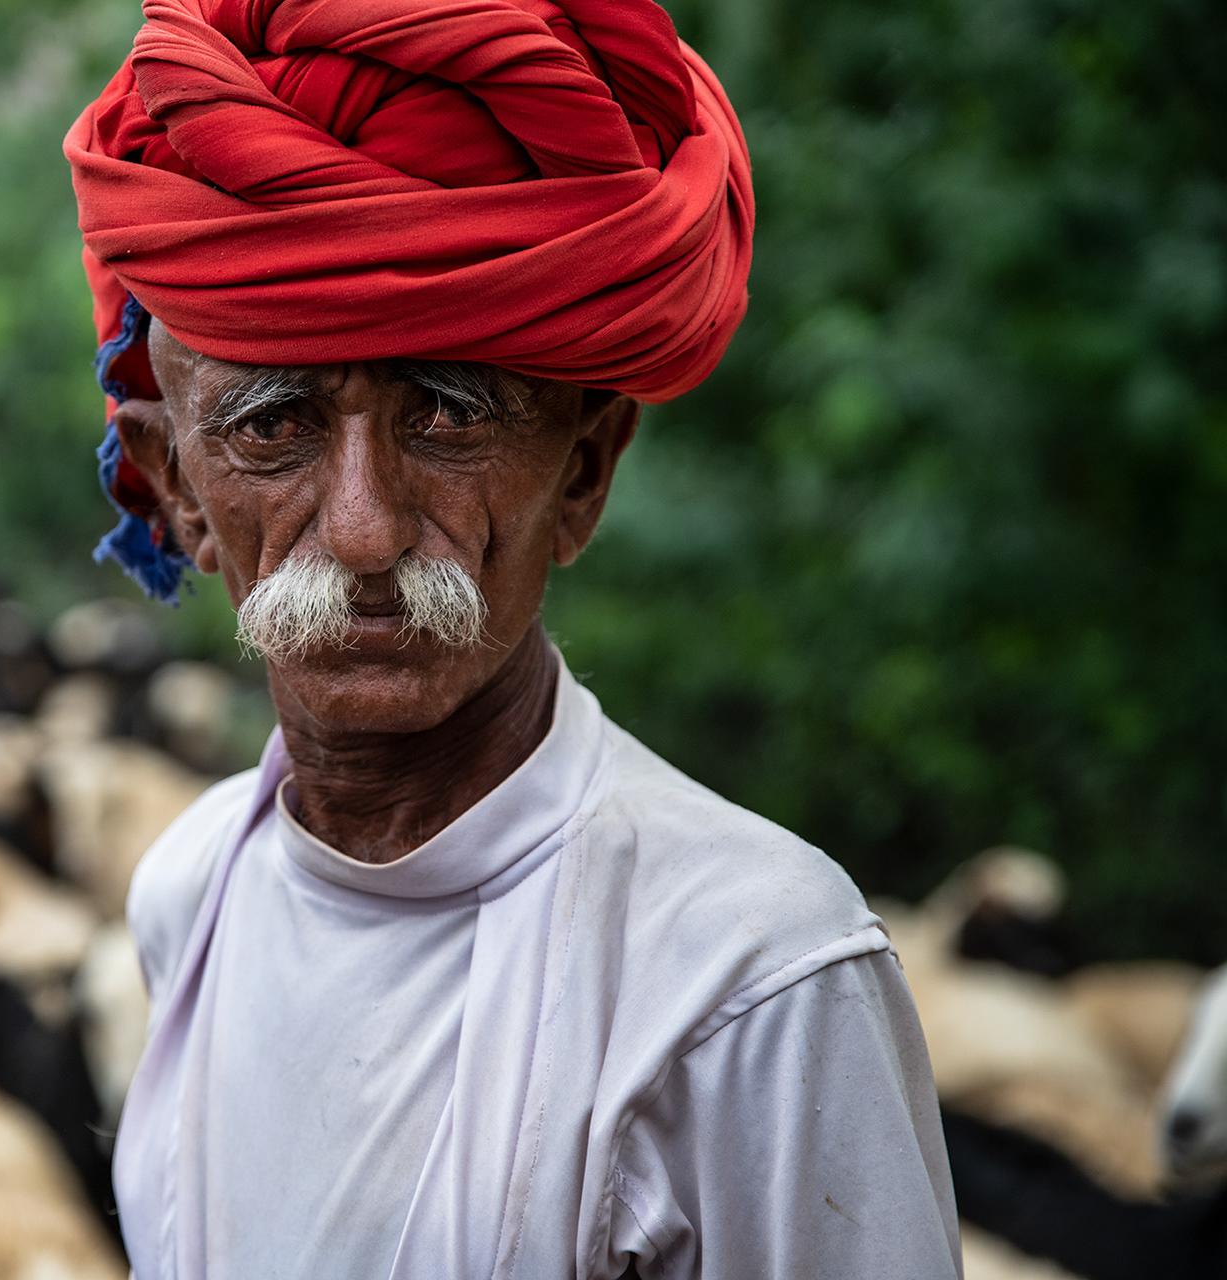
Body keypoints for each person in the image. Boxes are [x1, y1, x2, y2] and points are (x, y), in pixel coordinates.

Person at [64, 0, 961, 1276]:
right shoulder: (189, 891)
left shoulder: (754, 978)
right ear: (171, 491)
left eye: (447, 414)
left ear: (584, 472)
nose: (366, 531)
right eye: (273, 426)